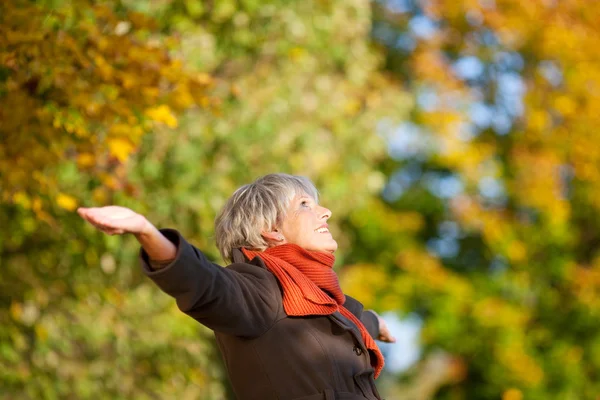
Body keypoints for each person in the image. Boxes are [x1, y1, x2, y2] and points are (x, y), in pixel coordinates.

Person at [78, 173, 396, 400]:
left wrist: (377, 323)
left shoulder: (329, 300)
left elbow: (354, 319)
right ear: (270, 230)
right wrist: (148, 233)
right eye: (304, 204)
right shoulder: (257, 288)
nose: (324, 212)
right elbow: (203, 282)